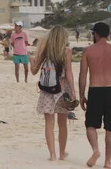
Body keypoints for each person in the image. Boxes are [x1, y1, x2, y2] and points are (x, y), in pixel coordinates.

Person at [79, 22, 111, 168]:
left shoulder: (88, 51)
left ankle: (95, 150)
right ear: (108, 34)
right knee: (110, 127)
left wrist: (81, 95)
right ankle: (108, 161)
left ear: (96, 34)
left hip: (95, 89)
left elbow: (83, 75)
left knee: (91, 125)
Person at [31, 25, 77, 162]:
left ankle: (52, 155)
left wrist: (30, 60)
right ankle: (62, 153)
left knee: (48, 123)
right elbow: (68, 72)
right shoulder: (67, 52)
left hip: (46, 90)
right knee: (62, 123)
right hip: (62, 89)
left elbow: (34, 71)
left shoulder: (44, 51)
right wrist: (73, 90)